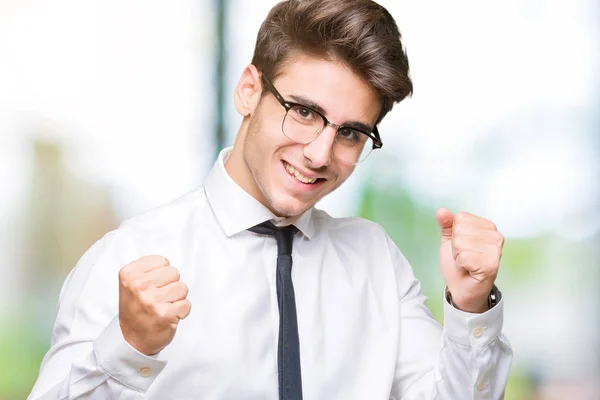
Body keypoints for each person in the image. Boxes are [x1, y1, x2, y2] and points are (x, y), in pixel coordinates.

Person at [28, 0, 512, 399]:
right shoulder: (129, 255)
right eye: (303, 112)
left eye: (350, 133)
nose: (320, 154)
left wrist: (470, 306)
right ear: (248, 90)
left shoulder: (375, 260)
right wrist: (129, 346)